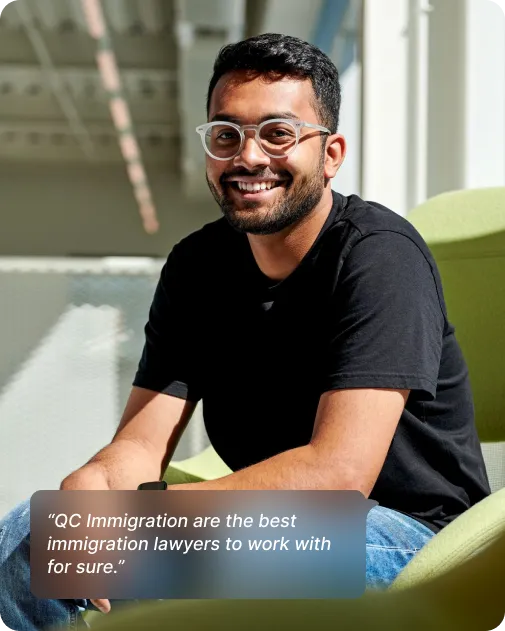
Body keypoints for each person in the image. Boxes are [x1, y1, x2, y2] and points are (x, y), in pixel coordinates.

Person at [0, 33, 491, 631]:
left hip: (405, 536)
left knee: (120, 548)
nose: (249, 157)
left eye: (279, 133)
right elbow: (138, 446)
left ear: (331, 153)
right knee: (30, 538)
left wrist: (141, 520)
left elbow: (336, 476)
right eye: (226, 135)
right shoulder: (197, 267)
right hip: (260, 524)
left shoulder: (379, 257)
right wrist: (92, 488)